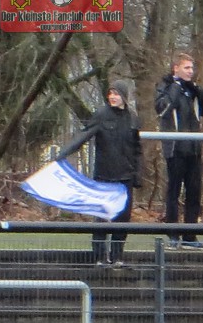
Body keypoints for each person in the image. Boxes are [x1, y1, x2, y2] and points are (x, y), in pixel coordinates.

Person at [57, 80, 143, 267]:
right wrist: (62, 154)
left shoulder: (132, 119)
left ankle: (117, 256)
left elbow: (137, 149)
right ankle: (98, 257)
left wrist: (137, 174)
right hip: (104, 176)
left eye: (116, 94)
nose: (112, 97)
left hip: (125, 177)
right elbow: (83, 136)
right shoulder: (101, 115)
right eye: (110, 93)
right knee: (102, 218)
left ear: (124, 97)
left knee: (122, 219)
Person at [154, 52, 203, 250]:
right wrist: (175, 86)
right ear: (176, 69)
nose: (191, 71)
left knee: (194, 193)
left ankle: (190, 235)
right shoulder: (165, 86)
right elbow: (162, 108)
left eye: (192, 68)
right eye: (187, 68)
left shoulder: (192, 90)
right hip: (175, 149)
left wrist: (195, 88)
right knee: (173, 192)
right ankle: (172, 234)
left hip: (194, 149)